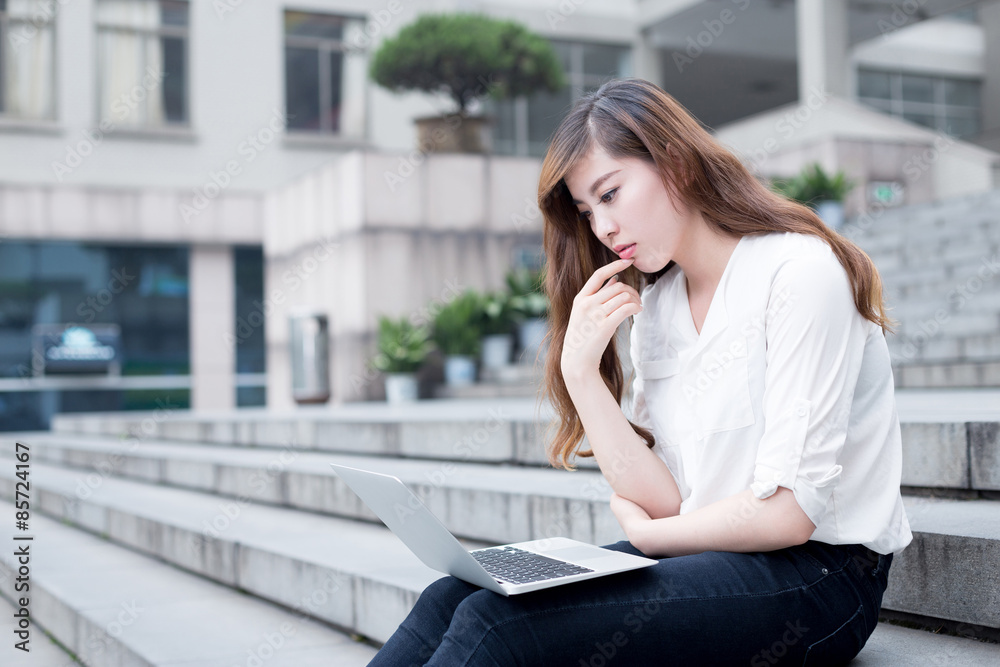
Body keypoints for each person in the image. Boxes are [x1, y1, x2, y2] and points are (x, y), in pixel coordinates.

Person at [367, 77, 912, 666]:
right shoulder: (660, 305)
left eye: (609, 194)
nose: (601, 228)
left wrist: (651, 540)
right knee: (453, 594)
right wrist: (580, 372)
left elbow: (787, 514)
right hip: (706, 558)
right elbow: (663, 498)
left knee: (497, 623)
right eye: (585, 210)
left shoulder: (799, 273)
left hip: (819, 577)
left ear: (673, 163)